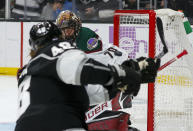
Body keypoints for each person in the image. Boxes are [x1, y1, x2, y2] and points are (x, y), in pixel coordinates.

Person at [14, 20, 159, 131]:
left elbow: (87, 94)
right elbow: (84, 69)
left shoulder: (30, 71)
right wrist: (123, 73)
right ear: (59, 37)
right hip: (61, 124)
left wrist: (125, 79)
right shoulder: (56, 50)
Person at [55, 10, 160, 130]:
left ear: (77, 27)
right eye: (63, 30)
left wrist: (128, 70)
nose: (66, 33)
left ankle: (117, 121)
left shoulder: (86, 39)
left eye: (69, 29)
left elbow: (98, 61)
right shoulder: (67, 40)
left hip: (120, 65)